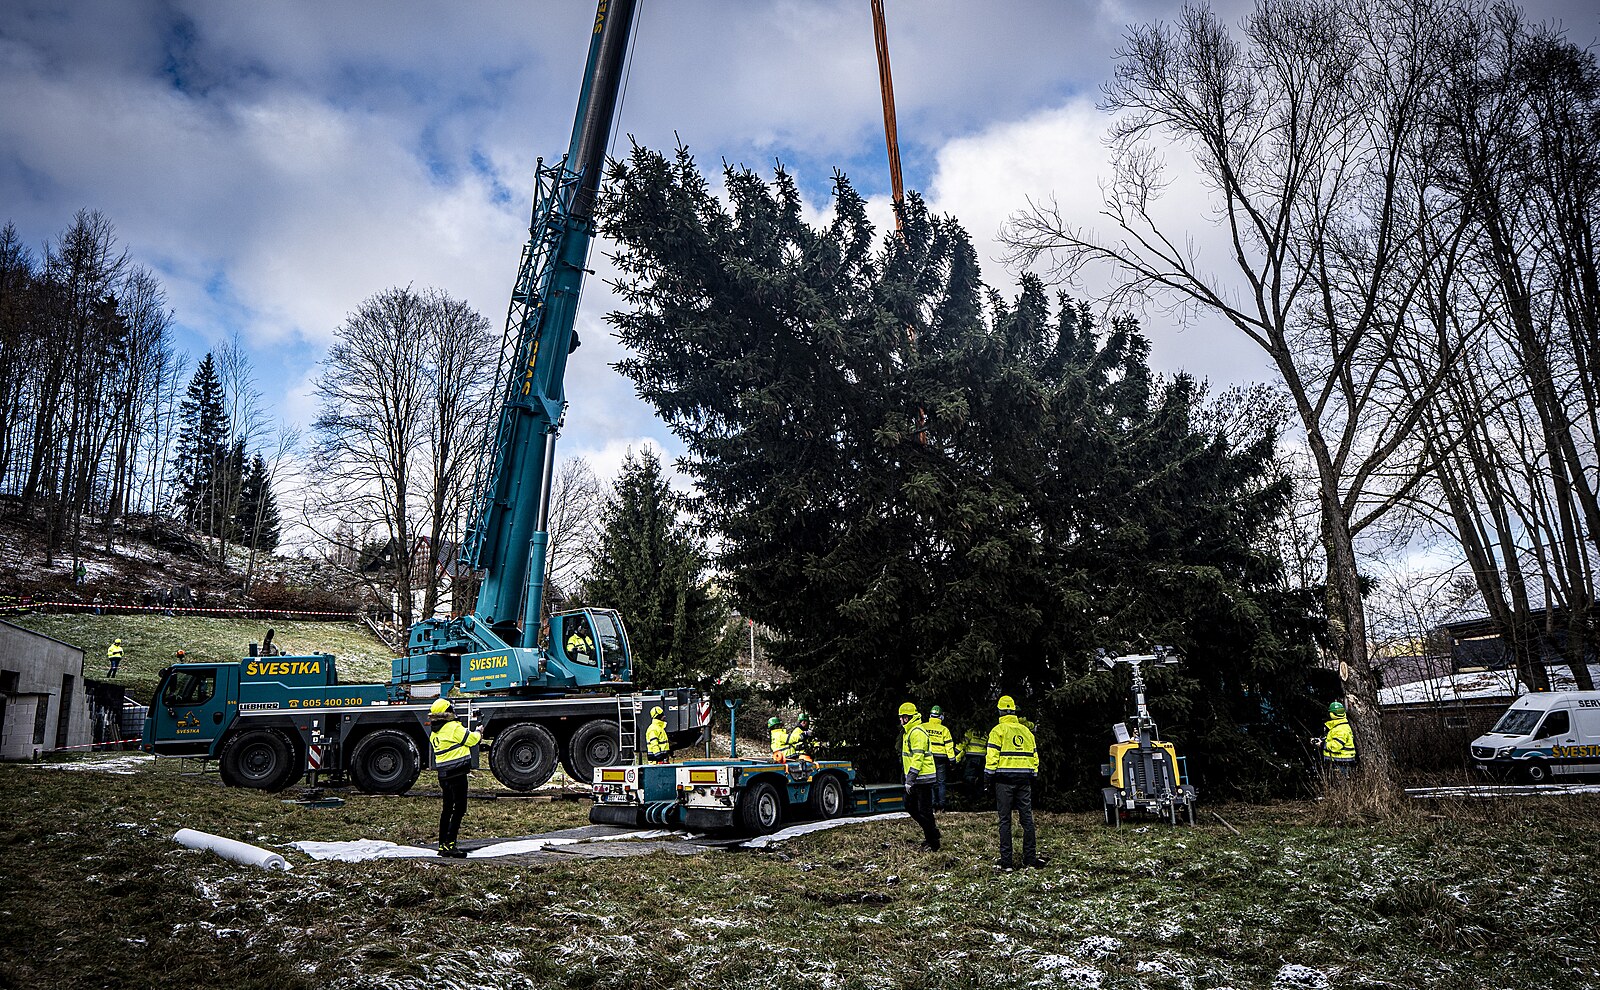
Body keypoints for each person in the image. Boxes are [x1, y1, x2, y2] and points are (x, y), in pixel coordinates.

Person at [986, 695, 1045, 870]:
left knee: (1005, 821)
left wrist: (987, 779)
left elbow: (991, 758)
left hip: (1004, 782)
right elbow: (1035, 757)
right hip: (1024, 781)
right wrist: (1032, 775)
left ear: (999, 711)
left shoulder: (998, 731)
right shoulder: (1026, 732)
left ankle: (1007, 863)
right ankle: (1030, 859)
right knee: (1027, 820)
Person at [428, 698, 481, 858]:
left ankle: (442, 845)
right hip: (457, 774)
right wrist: (479, 731)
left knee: (446, 810)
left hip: (443, 775)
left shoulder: (434, 732)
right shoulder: (453, 727)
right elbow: (472, 740)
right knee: (459, 809)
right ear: (448, 712)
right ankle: (451, 844)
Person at [898, 702, 940, 852]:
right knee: (912, 807)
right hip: (916, 779)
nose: (901, 721)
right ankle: (932, 834)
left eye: (902, 717)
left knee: (924, 811)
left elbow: (918, 757)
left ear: (908, 717)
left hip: (922, 779)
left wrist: (910, 779)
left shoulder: (916, 732)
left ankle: (933, 841)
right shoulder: (910, 732)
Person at [924, 705, 955, 810]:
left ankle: (932, 805)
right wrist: (952, 760)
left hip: (928, 758)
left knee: (930, 782)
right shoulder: (944, 730)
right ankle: (942, 806)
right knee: (941, 782)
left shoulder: (923, 727)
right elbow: (949, 746)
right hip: (941, 758)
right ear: (941, 717)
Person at [1316, 701, 1357, 776]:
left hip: (1341, 764)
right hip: (1339, 763)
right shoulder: (1338, 726)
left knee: (1341, 786)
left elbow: (1336, 746)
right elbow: (1333, 739)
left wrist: (1322, 744)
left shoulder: (1341, 728)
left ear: (1331, 714)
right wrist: (1322, 740)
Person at [959, 725, 988, 804]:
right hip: (982, 757)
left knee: (969, 779)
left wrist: (956, 758)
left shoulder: (970, 731)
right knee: (981, 780)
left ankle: (970, 799)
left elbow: (963, 744)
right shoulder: (985, 733)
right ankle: (979, 798)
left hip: (971, 758)